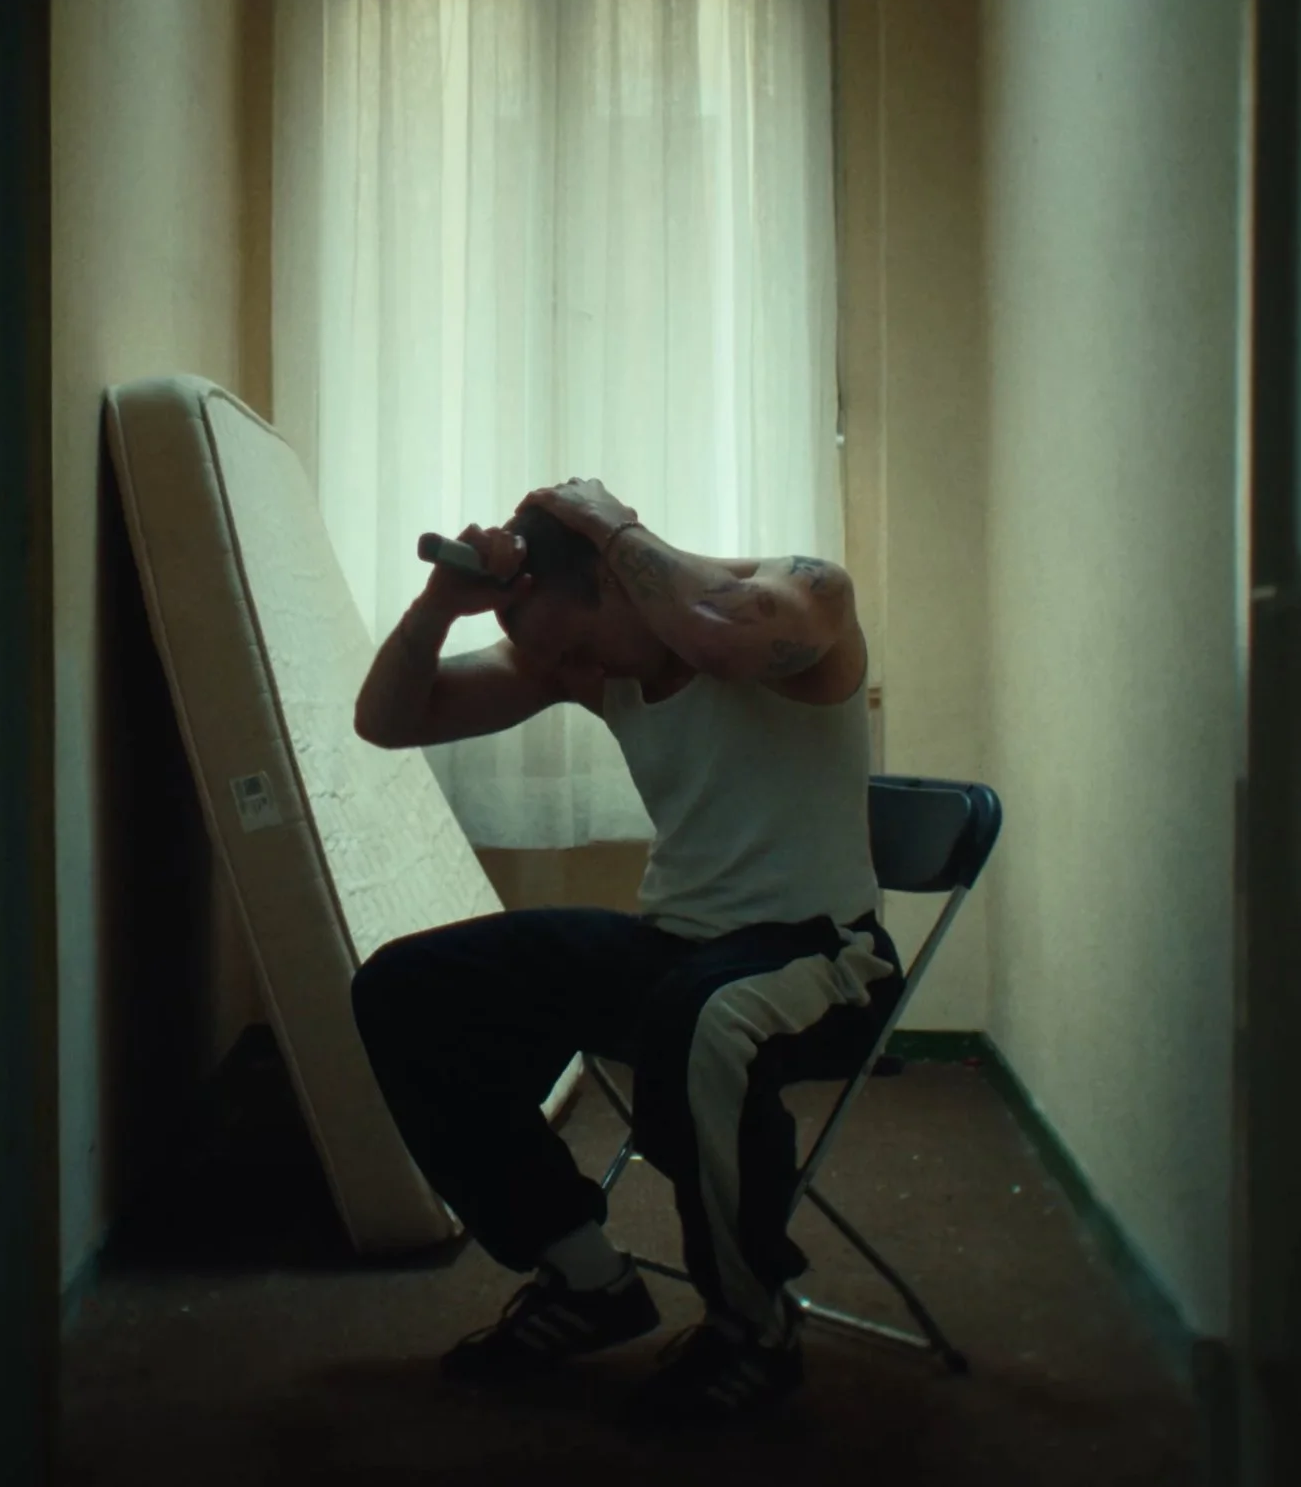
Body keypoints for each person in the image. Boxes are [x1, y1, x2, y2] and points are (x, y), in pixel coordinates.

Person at [348, 476, 900, 1427]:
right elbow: (388, 720)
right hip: (676, 953)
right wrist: (439, 605)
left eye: (569, 644)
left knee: (703, 1017)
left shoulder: (806, 594)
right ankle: (584, 1276)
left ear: (612, 577)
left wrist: (610, 523)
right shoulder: (583, 660)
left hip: (823, 956)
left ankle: (754, 1326)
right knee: (407, 988)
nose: (564, 670)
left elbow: (716, 641)